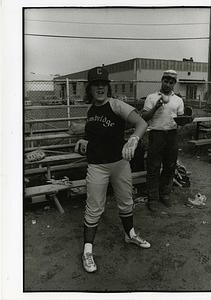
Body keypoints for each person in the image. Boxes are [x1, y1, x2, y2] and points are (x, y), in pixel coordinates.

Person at [75, 66, 151, 273]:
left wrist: (134, 140)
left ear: (107, 86)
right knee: (94, 207)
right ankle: (87, 251)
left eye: (103, 84)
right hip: (97, 165)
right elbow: (96, 135)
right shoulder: (90, 110)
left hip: (119, 164)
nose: (100, 88)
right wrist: (84, 140)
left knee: (126, 201)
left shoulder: (116, 105)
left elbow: (142, 123)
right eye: (95, 85)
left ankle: (130, 235)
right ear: (90, 89)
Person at [141, 70, 184, 212]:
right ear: (162, 80)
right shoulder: (152, 97)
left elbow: (181, 119)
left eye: (171, 82)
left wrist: (185, 121)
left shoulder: (178, 100)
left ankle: (164, 194)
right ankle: (152, 198)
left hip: (172, 135)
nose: (168, 84)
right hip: (156, 134)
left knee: (170, 166)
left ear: (174, 84)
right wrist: (156, 107)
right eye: (166, 81)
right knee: (153, 167)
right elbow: (144, 117)